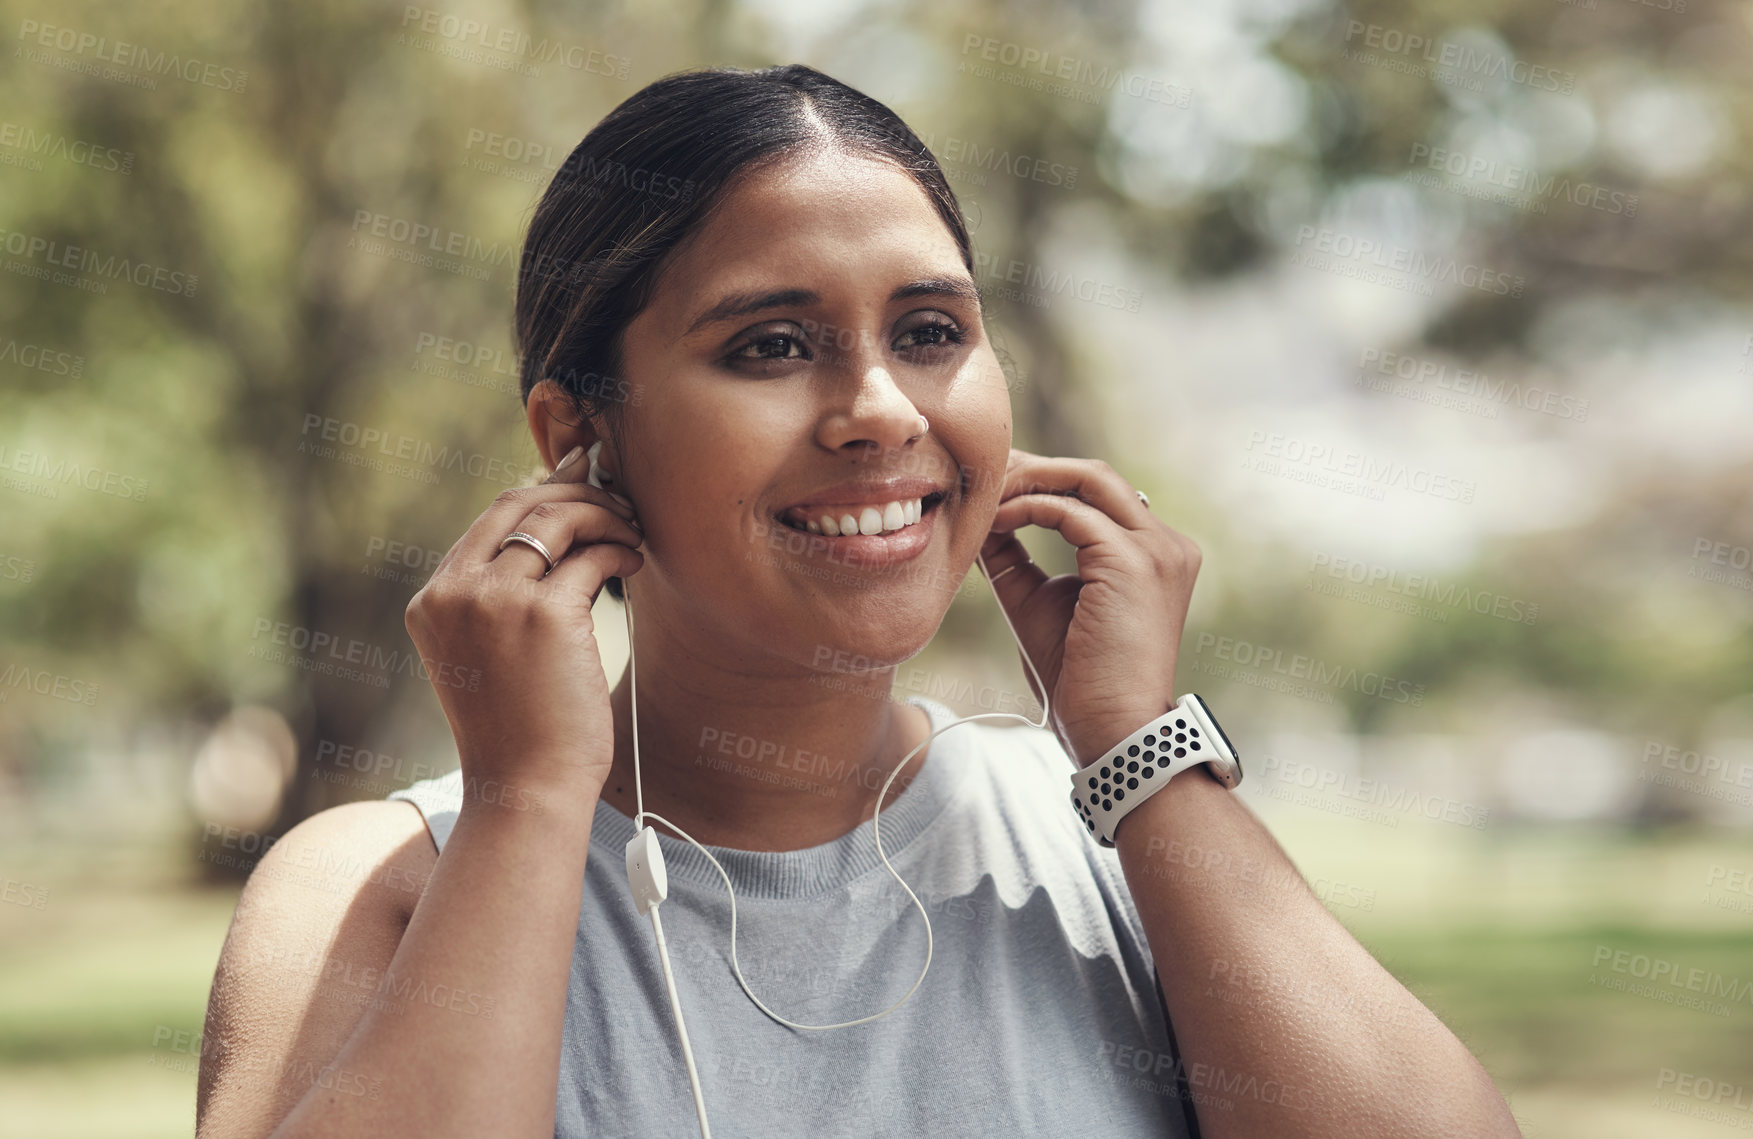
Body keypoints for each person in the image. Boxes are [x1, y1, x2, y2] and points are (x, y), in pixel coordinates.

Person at [194, 64, 1522, 1138]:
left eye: (931, 332)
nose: (882, 410)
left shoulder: (1113, 848)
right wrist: (532, 802)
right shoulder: (380, 886)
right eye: (771, 345)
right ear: (574, 436)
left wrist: (1138, 745)